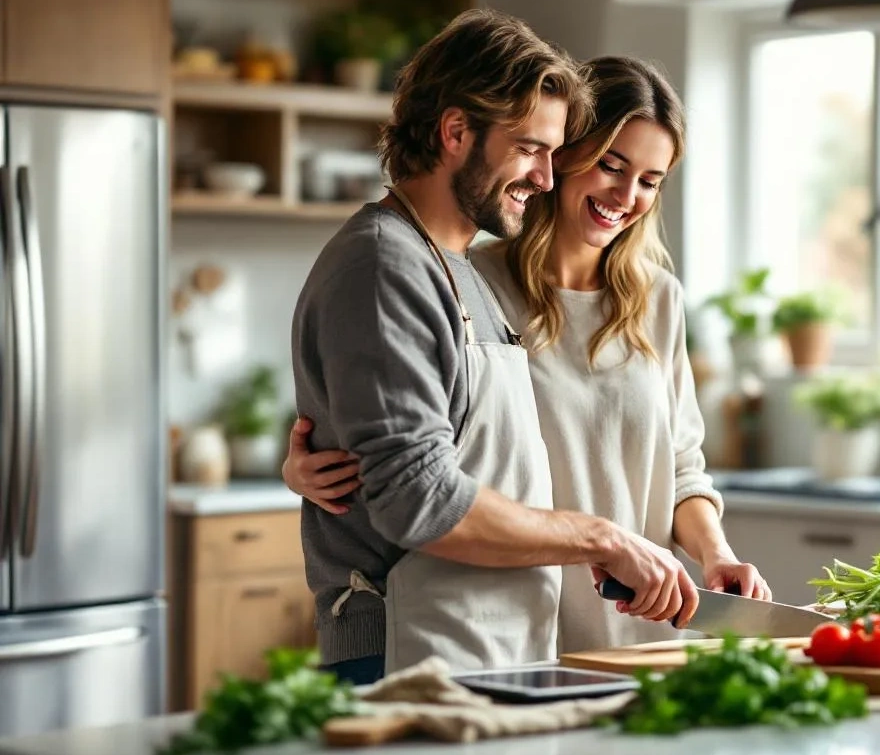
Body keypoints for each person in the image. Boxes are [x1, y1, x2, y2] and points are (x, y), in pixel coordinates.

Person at [285, 55, 772, 655]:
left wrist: (716, 554)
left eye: (650, 181)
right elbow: (406, 443)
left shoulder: (658, 300)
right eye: (611, 165)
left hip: (637, 615)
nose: (626, 196)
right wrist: (316, 466)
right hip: (511, 626)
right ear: (566, 154)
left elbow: (680, 465)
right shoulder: (470, 281)